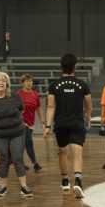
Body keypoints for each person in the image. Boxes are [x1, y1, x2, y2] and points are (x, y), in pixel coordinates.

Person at [44, 53, 92, 198]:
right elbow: (88, 105)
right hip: (77, 123)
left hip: (61, 124)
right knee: (77, 152)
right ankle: (78, 180)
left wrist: (47, 126)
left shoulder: (54, 85)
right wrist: (88, 118)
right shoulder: (82, 85)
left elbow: (50, 106)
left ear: (62, 67)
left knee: (62, 152)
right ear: (74, 67)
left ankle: (65, 180)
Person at [0, 72, 33, 198]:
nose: (1, 83)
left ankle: (24, 187)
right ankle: (3, 187)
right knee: (3, 159)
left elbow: (21, 110)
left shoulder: (15, 97)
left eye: (3, 81)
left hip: (17, 133)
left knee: (17, 158)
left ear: (7, 84)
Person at [17, 74, 45, 172]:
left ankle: (19, 163)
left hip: (30, 122)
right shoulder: (18, 94)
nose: (29, 83)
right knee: (28, 141)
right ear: (22, 83)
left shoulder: (35, 94)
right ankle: (35, 163)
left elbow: (38, 108)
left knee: (23, 143)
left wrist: (42, 122)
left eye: (31, 81)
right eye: (27, 81)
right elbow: (14, 108)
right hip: (20, 122)